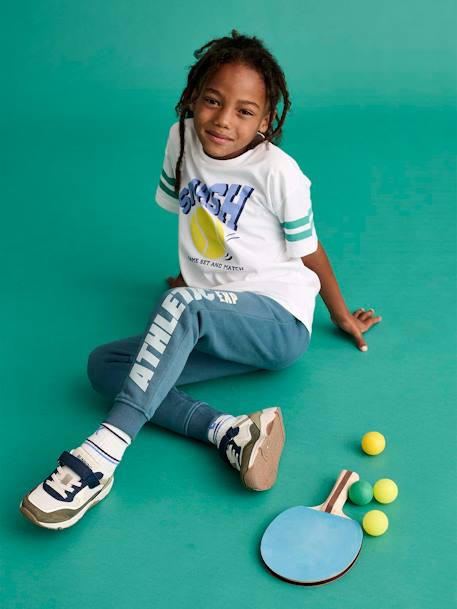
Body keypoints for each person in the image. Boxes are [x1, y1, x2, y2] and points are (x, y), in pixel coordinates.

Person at [20, 29, 381, 530]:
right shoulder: (181, 138)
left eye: (244, 111)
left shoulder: (279, 172)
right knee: (105, 367)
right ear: (194, 96)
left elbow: (310, 249)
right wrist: (195, 281)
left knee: (183, 306)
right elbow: (201, 221)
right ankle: (230, 433)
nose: (224, 120)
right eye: (213, 101)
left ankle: (101, 457)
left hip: (277, 322)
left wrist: (338, 314)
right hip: (211, 311)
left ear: (266, 120)